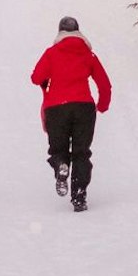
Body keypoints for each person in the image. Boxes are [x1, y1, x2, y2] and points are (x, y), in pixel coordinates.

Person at [30, 16, 112, 212]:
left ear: (60, 32)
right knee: (81, 153)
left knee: (58, 149)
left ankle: (60, 166)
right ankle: (79, 197)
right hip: (84, 108)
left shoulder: (51, 53)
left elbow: (36, 77)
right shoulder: (88, 54)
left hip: (56, 108)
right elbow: (104, 84)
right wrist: (102, 106)